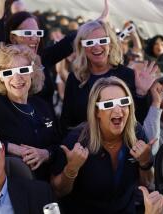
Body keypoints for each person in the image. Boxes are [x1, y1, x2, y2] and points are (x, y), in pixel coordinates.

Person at [52, 77, 155, 214]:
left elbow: (147, 184)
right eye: (108, 105)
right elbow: (58, 191)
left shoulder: (136, 132)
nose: (118, 111)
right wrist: (71, 169)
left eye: (123, 102)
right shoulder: (77, 140)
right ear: (96, 111)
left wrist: (145, 162)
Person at [0, 0, 108, 106]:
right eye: (28, 33)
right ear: (13, 37)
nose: (34, 38)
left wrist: (96, 24)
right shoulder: (3, 63)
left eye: (37, 33)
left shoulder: (42, 58)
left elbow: (68, 43)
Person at [0, 44, 60, 181]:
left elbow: (58, 145)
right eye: (8, 72)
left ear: (32, 72)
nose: (17, 78)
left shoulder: (42, 106)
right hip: (10, 186)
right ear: (1, 77)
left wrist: (46, 154)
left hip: (46, 186)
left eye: (23, 70)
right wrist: (10, 147)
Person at [60, 19, 157, 135]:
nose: (96, 46)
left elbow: (138, 122)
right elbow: (66, 122)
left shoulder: (127, 75)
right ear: (82, 48)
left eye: (102, 41)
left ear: (110, 44)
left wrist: (141, 93)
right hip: (84, 147)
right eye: (89, 42)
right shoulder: (75, 78)